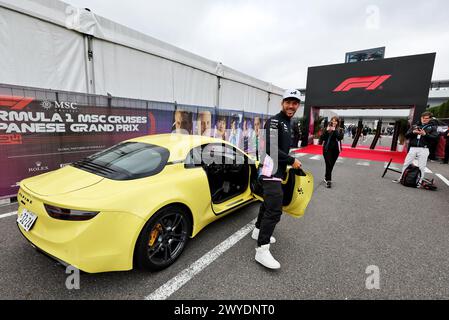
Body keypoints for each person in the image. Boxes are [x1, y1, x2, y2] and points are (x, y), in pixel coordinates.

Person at [253, 89, 302, 270]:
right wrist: (291, 160)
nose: (291, 106)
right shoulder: (274, 121)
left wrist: (287, 161)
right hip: (269, 170)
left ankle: (258, 230)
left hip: (277, 170)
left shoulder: (288, 122)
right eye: (288, 102)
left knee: (268, 203)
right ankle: (262, 249)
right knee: (274, 209)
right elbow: (270, 149)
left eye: (295, 103)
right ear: (282, 103)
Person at [393, 111, 438, 186]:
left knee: (422, 166)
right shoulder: (415, 126)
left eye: (426, 118)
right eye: (423, 118)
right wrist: (413, 132)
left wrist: (425, 134)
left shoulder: (432, 127)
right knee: (406, 163)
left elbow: (435, 138)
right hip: (413, 148)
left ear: (430, 119)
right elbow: (406, 135)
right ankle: (401, 178)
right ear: (421, 118)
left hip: (424, 148)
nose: (424, 120)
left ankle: (419, 182)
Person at [319, 116, 344, 188]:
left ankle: (326, 177)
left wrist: (334, 130)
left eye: (335, 121)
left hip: (336, 150)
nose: (334, 122)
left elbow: (339, 137)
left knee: (331, 165)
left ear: (337, 122)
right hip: (327, 149)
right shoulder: (326, 128)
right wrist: (327, 131)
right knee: (329, 163)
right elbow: (322, 138)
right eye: (332, 120)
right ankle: (329, 181)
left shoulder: (340, 129)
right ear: (331, 121)